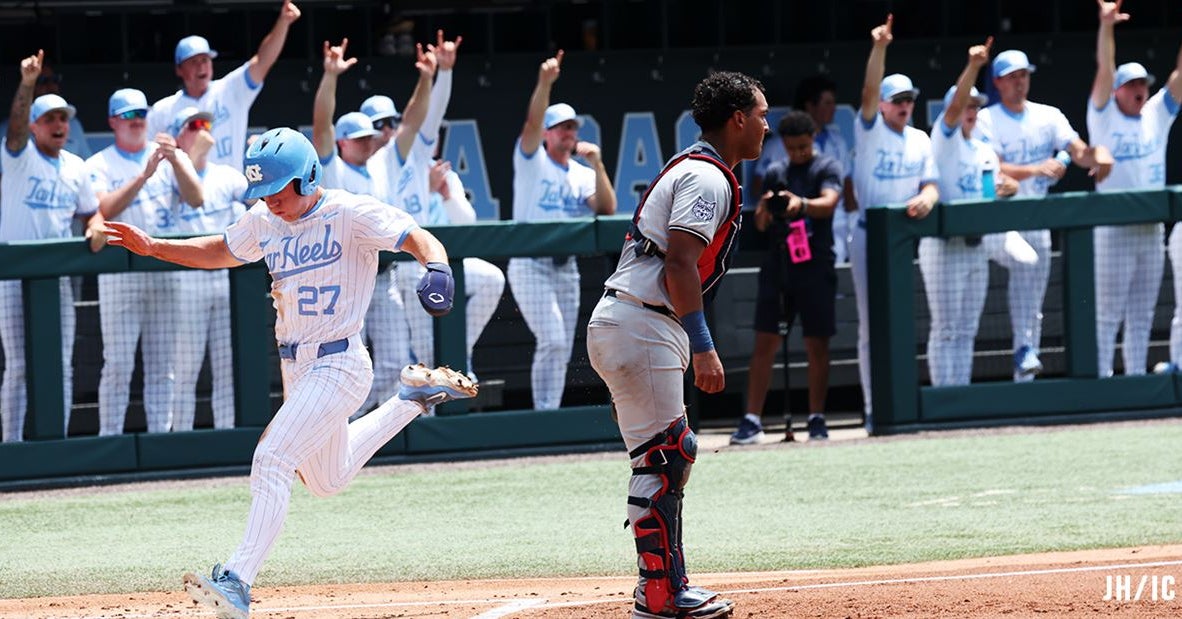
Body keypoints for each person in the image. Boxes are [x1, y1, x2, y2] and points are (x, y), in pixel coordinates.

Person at [102, 127, 477, 619]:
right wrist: (156, 247)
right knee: (327, 480)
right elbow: (221, 250)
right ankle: (410, 399)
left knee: (273, 457)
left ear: (307, 178)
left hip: (340, 361)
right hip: (296, 364)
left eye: (276, 190)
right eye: (261, 192)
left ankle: (236, 580)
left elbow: (417, 236)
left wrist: (438, 269)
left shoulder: (349, 211)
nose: (268, 201)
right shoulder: (264, 219)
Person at [587, 70, 767, 619]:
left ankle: (660, 586)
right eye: (760, 114)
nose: (766, 124)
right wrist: (705, 345)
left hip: (634, 320)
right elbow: (680, 265)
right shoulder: (707, 176)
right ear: (736, 119)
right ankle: (662, 593)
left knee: (663, 456)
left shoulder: (705, 169)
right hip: (643, 321)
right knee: (668, 456)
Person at [311, 36, 439, 411]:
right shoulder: (331, 168)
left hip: (384, 278)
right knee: (342, 364)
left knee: (395, 358)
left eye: (370, 136)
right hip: (342, 278)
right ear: (343, 142)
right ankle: (337, 428)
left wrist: (427, 78)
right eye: (358, 138)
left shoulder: (382, 162)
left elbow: (412, 121)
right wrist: (330, 76)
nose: (367, 142)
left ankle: (369, 427)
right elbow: (321, 125)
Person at [978, 47, 1113, 382]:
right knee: (1027, 264)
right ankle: (1021, 352)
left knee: (1034, 300)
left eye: (1023, 75)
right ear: (998, 82)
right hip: (997, 220)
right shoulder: (985, 118)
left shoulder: (1047, 115)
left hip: (1038, 218)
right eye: (1012, 77)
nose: (1020, 83)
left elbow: (1076, 149)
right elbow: (993, 167)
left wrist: (1094, 155)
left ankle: (1025, 370)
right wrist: (1038, 169)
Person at [87, 87, 204, 436]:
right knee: (119, 364)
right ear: (112, 121)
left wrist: (176, 159)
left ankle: (160, 439)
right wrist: (144, 176)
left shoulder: (166, 155)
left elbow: (196, 198)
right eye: (127, 115)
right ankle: (109, 439)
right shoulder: (100, 163)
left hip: (163, 269)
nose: (136, 121)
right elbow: (102, 209)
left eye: (140, 114)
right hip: (119, 274)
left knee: (162, 365)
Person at [0, 50, 104, 442]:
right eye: (50, 119)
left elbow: (90, 212)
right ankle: (11, 446)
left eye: (63, 118)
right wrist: (27, 83)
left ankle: (57, 442)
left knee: (59, 363)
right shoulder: (18, 155)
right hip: (13, 277)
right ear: (35, 125)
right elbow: (13, 129)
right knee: (19, 367)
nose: (60, 124)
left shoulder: (77, 166)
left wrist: (95, 227)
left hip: (58, 279)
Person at [509, 50, 616, 410]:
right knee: (553, 340)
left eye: (574, 128)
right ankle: (544, 413)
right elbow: (530, 125)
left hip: (564, 267)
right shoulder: (532, 161)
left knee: (561, 344)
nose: (570, 133)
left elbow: (606, 208)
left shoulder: (582, 173)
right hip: (530, 263)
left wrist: (598, 164)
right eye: (563, 127)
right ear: (548, 133)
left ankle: (549, 410)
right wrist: (544, 84)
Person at [729, 111, 841, 446]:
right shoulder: (777, 171)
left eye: (804, 147)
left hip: (815, 265)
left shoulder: (827, 167)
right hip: (779, 266)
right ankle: (752, 421)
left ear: (813, 139)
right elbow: (761, 225)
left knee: (816, 343)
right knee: (765, 341)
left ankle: (816, 418)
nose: (798, 153)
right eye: (792, 148)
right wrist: (765, 207)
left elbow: (830, 202)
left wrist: (801, 204)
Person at [852, 15, 939, 432]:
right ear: (884, 104)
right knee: (872, 326)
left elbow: (932, 186)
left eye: (909, 99)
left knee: (906, 321)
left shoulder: (921, 139)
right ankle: (874, 409)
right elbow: (869, 89)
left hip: (905, 240)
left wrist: (926, 196)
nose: (905, 105)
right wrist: (880, 48)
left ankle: (904, 405)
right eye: (897, 99)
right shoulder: (869, 129)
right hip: (868, 238)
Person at [1089, 0, 1181, 377]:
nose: (1140, 89)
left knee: (1142, 313)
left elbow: (1180, 74)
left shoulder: (1156, 114)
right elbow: (1104, 69)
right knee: (1108, 314)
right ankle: (1102, 381)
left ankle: (1136, 380)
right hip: (1113, 229)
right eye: (1131, 85)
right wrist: (1107, 27)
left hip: (1148, 229)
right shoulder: (1103, 114)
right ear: (1117, 91)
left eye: (1143, 83)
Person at [922, 39, 1020, 388]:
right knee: (946, 327)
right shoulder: (944, 139)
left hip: (976, 245)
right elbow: (953, 111)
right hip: (944, 246)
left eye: (977, 105)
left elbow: (990, 192)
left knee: (967, 328)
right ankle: (942, 395)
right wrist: (974, 67)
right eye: (966, 104)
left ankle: (959, 393)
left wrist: (1008, 188)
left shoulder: (984, 150)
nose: (971, 110)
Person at [147, 0, 301, 168]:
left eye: (205, 60)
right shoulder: (162, 110)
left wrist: (283, 22)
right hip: (185, 190)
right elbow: (145, 151)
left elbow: (262, 61)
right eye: (193, 62)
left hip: (229, 188)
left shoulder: (230, 89)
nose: (201, 66)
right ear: (179, 69)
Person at [168, 106, 248, 430]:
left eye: (207, 124)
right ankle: (179, 438)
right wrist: (187, 157)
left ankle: (228, 435)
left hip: (226, 279)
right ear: (178, 135)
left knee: (228, 366)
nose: (203, 130)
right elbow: (192, 198)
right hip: (187, 281)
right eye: (194, 125)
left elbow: (260, 202)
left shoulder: (227, 174)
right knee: (185, 368)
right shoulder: (167, 173)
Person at [396, 159, 506, 380]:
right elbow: (404, 227)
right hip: (410, 265)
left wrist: (446, 195)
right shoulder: (396, 169)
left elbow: (467, 221)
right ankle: (433, 386)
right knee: (425, 346)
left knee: (492, 278)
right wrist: (426, 188)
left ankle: (458, 354)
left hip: (447, 261)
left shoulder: (446, 174)